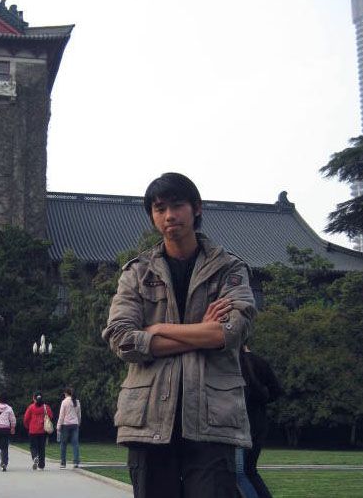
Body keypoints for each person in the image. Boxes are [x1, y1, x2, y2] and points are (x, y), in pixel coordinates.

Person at [102, 172, 257, 498]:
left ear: (196, 208)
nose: (169, 215)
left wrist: (158, 329)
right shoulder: (137, 272)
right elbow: (122, 339)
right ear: (152, 216)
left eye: (177, 205)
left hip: (212, 419)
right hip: (149, 420)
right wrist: (202, 330)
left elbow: (232, 331)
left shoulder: (229, 268)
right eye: (160, 209)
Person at [238, 344, 283, 498]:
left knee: (238, 473)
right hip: (259, 423)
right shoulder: (261, 362)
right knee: (250, 470)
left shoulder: (236, 362)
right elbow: (276, 391)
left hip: (241, 425)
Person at [23, 391, 54, 470]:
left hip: (33, 430)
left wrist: (27, 426)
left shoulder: (31, 407)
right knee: (41, 448)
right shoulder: (46, 407)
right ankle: (41, 465)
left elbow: (26, 418)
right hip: (42, 431)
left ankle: (35, 457)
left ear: (34, 398)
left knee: (33, 447)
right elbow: (50, 416)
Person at [57, 387, 81, 469]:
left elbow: (61, 415)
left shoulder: (64, 402)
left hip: (65, 425)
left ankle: (63, 463)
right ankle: (76, 462)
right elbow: (79, 414)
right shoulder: (77, 401)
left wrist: (58, 426)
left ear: (66, 393)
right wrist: (78, 422)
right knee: (75, 444)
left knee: (63, 444)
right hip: (75, 424)